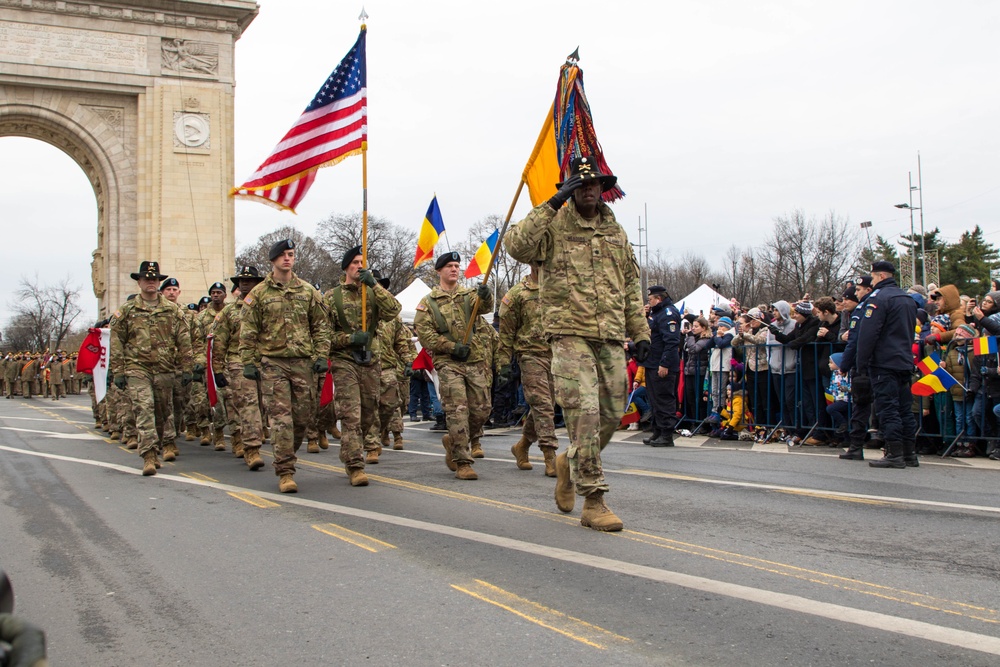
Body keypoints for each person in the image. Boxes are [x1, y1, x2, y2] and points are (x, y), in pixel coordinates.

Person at [506, 156, 650, 531]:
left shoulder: (615, 232)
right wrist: (552, 203)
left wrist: (642, 333)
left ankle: (569, 463)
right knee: (584, 415)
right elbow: (517, 246)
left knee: (613, 412)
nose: (589, 190)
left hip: (610, 336)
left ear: (603, 188)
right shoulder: (553, 225)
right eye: (580, 185)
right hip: (569, 335)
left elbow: (630, 287)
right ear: (570, 189)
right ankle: (594, 499)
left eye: (595, 184)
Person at [240, 239, 332, 493]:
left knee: (303, 418)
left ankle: (287, 453)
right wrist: (248, 361)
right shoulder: (259, 294)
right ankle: (285, 470)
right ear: (273, 261)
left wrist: (322, 355)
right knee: (281, 419)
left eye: (291, 254)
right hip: (273, 363)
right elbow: (248, 330)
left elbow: (321, 327)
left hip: (303, 363)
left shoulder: (307, 291)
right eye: (282, 255)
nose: (287, 259)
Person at [413, 251, 493, 480]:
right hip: (449, 362)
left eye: (457, 265)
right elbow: (425, 334)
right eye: (449, 265)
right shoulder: (428, 303)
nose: (454, 269)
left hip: (474, 359)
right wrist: (450, 347)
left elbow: (485, 307)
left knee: (482, 409)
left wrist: (486, 296)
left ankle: (456, 440)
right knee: (457, 411)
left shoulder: (469, 296)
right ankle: (462, 462)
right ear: (439, 270)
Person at [325, 247, 401, 483]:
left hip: (371, 359)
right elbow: (323, 334)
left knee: (369, 413)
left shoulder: (373, 293)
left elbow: (394, 311)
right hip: (344, 360)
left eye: (362, 262)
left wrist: (375, 286)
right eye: (355, 262)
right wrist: (349, 339)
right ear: (346, 267)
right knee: (351, 415)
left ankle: (349, 449)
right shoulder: (331, 297)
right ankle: (355, 465)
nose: (359, 266)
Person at [111, 262, 194, 475]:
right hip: (137, 368)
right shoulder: (127, 310)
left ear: (158, 282)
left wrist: (187, 367)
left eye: (154, 279)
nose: (150, 282)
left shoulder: (172, 309)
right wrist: (118, 370)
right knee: (144, 408)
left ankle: (154, 447)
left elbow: (184, 338)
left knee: (161, 412)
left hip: (165, 369)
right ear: (139, 282)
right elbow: (116, 341)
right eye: (146, 279)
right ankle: (148, 455)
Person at [854, 260, 918, 468]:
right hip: (903, 360)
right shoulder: (907, 299)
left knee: (887, 408)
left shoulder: (878, 299)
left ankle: (894, 453)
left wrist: (861, 362)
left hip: (884, 361)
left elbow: (868, 333)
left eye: (872, 277)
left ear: (881, 276)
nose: (871, 281)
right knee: (904, 409)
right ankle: (909, 453)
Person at [499, 262, 559, 474]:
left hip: (557, 355)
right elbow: (506, 332)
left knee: (546, 406)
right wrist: (503, 362)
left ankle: (522, 445)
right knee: (543, 405)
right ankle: (550, 456)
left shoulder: (559, 288)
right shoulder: (517, 294)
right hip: (530, 355)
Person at [211, 266, 266, 469]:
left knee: (264, 407)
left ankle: (254, 439)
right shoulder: (229, 312)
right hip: (238, 362)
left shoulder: (264, 307)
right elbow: (219, 341)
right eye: (241, 281)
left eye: (249, 281)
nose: (244, 284)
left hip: (266, 362)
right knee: (248, 405)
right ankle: (251, 449)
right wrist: (217, 369)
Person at [643, 285, 682, 447]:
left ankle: (666, 434)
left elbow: (672, 341)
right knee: (655, 399)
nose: (649, 302)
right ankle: (657, 430)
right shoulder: (656, 313)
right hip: (652, 362)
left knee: (664, 399)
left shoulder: (668, 313)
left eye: (650, 299)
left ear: (658, 298)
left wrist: (665, 363)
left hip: (662, 364)